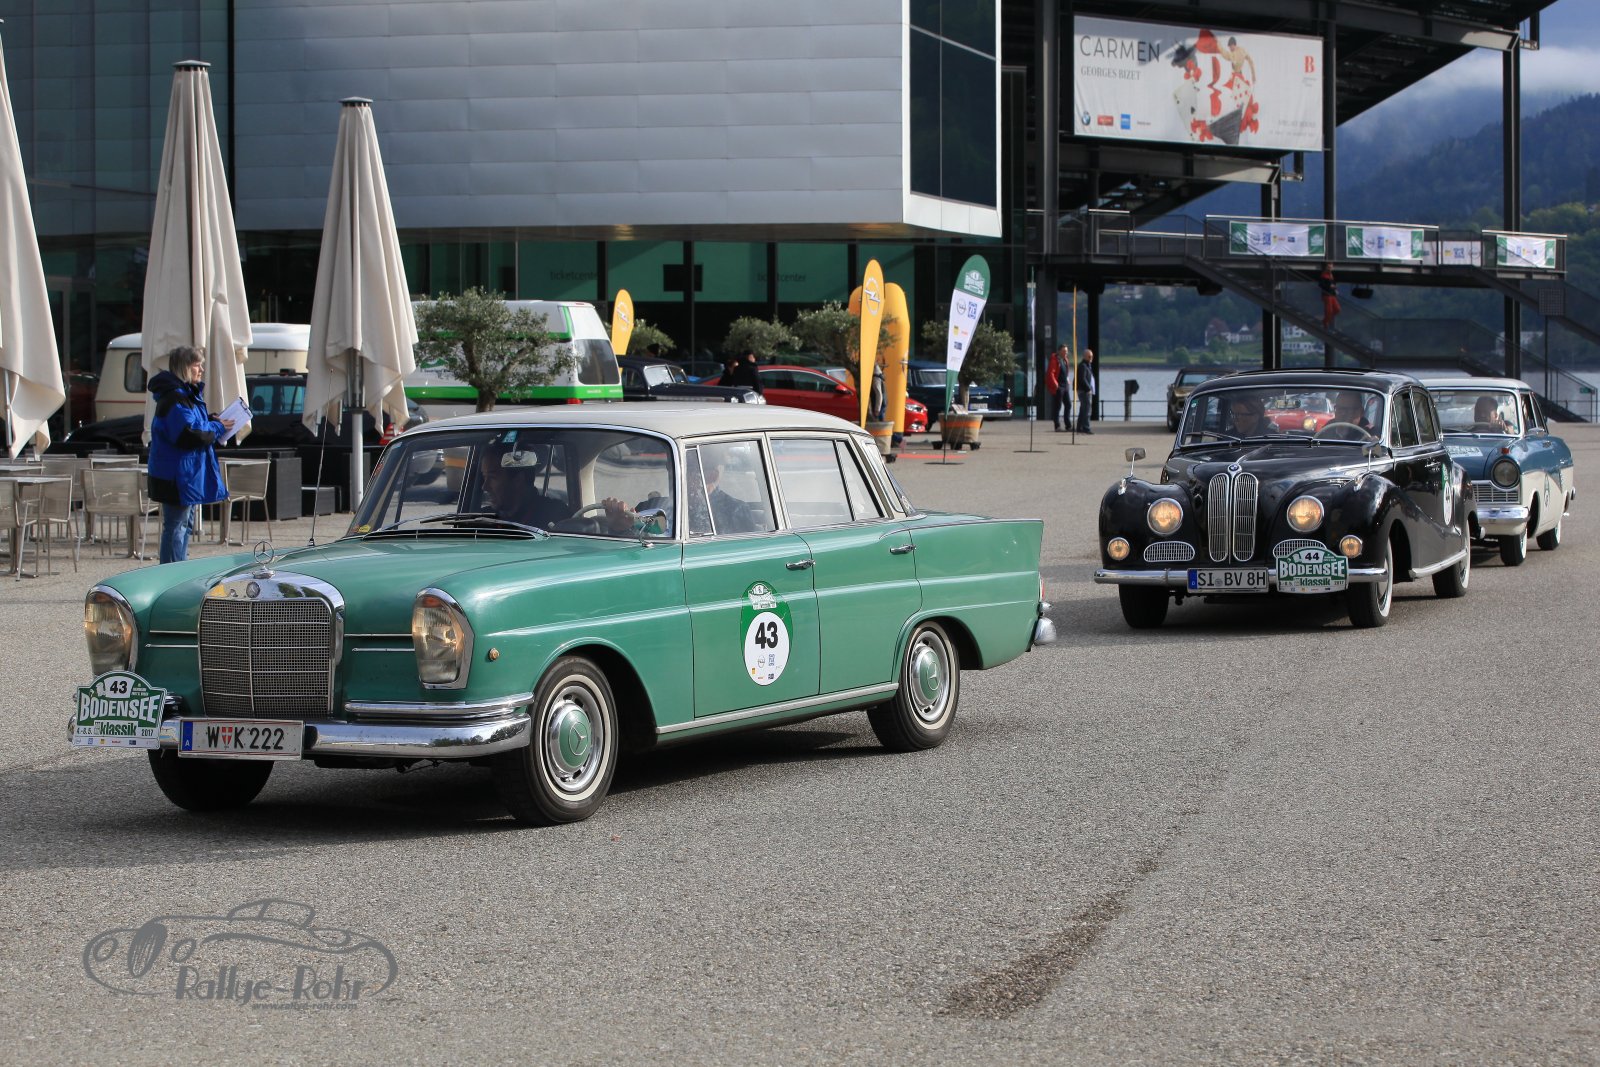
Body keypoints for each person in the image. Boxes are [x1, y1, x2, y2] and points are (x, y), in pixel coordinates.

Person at [146, 345, 233, 564]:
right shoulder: (175, 398)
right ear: (184, 367)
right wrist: (217, 427)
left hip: (184, 474)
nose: (201, 370)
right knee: (177, 526)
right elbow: (188, 434)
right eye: (197, 365)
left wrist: (211, 420)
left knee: (183, 525)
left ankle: (178, 568)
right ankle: (172, 573)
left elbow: (192, 425)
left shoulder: (183, 395)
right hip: (177, 475)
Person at [477, 442, 569, 529]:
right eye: (484, 477)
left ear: (518, 480)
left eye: (492, 477)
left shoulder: (555, 517)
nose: (485, 486)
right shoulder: (483, 520)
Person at [1075, 348, 1096, 434]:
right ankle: (1086, 428)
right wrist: (1088, 389)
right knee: (1087, 409)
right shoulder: (1083, 366)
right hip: (1084, 391)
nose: (1091, 358)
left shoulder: (1087, 365)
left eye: (1092, 356)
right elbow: (1082, 379)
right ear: (1084, 356)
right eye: (1089, 356)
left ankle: (1079, 427)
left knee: (1083, 409)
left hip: (1085, 390)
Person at [1044, 345, 1064, 431]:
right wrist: (1055, 384)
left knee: (1068, 404)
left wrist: (1067, 379)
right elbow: (1051, 373)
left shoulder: (1065, 360)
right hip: (1058, 386)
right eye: (1064, 351)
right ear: (1059, 351)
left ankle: (1068, 424)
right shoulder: (1054, 360)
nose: (1065, 353)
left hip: (1064, 386)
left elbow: (1065, 371)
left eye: (1066, 351)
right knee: (1057, 406)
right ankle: (1057, 425)